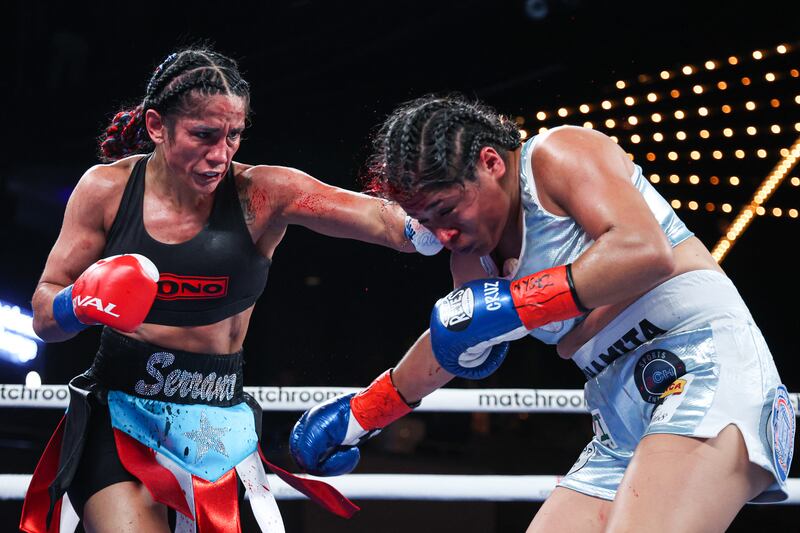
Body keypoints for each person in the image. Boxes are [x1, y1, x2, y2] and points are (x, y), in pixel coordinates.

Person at [289, 94, 795, 531]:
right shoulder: (472, 256)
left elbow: (644, 251)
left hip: (704, 362)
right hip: (618, 410)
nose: (441, 235)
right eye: (426, 221)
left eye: (446, 210)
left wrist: (518, 302)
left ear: (491, 163)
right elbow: (458, 339)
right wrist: (366, 413)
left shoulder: (556, 155)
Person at [19, 48, 443, 533]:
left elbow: (379, 219)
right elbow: (43, 317)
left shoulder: (261, 195)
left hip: (218, 428)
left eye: (233, 135)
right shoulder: (107, 191)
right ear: (157, 126)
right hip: (119, 418)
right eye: (203, 135)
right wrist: (77, 302)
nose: (220, 154)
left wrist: (433, 223)